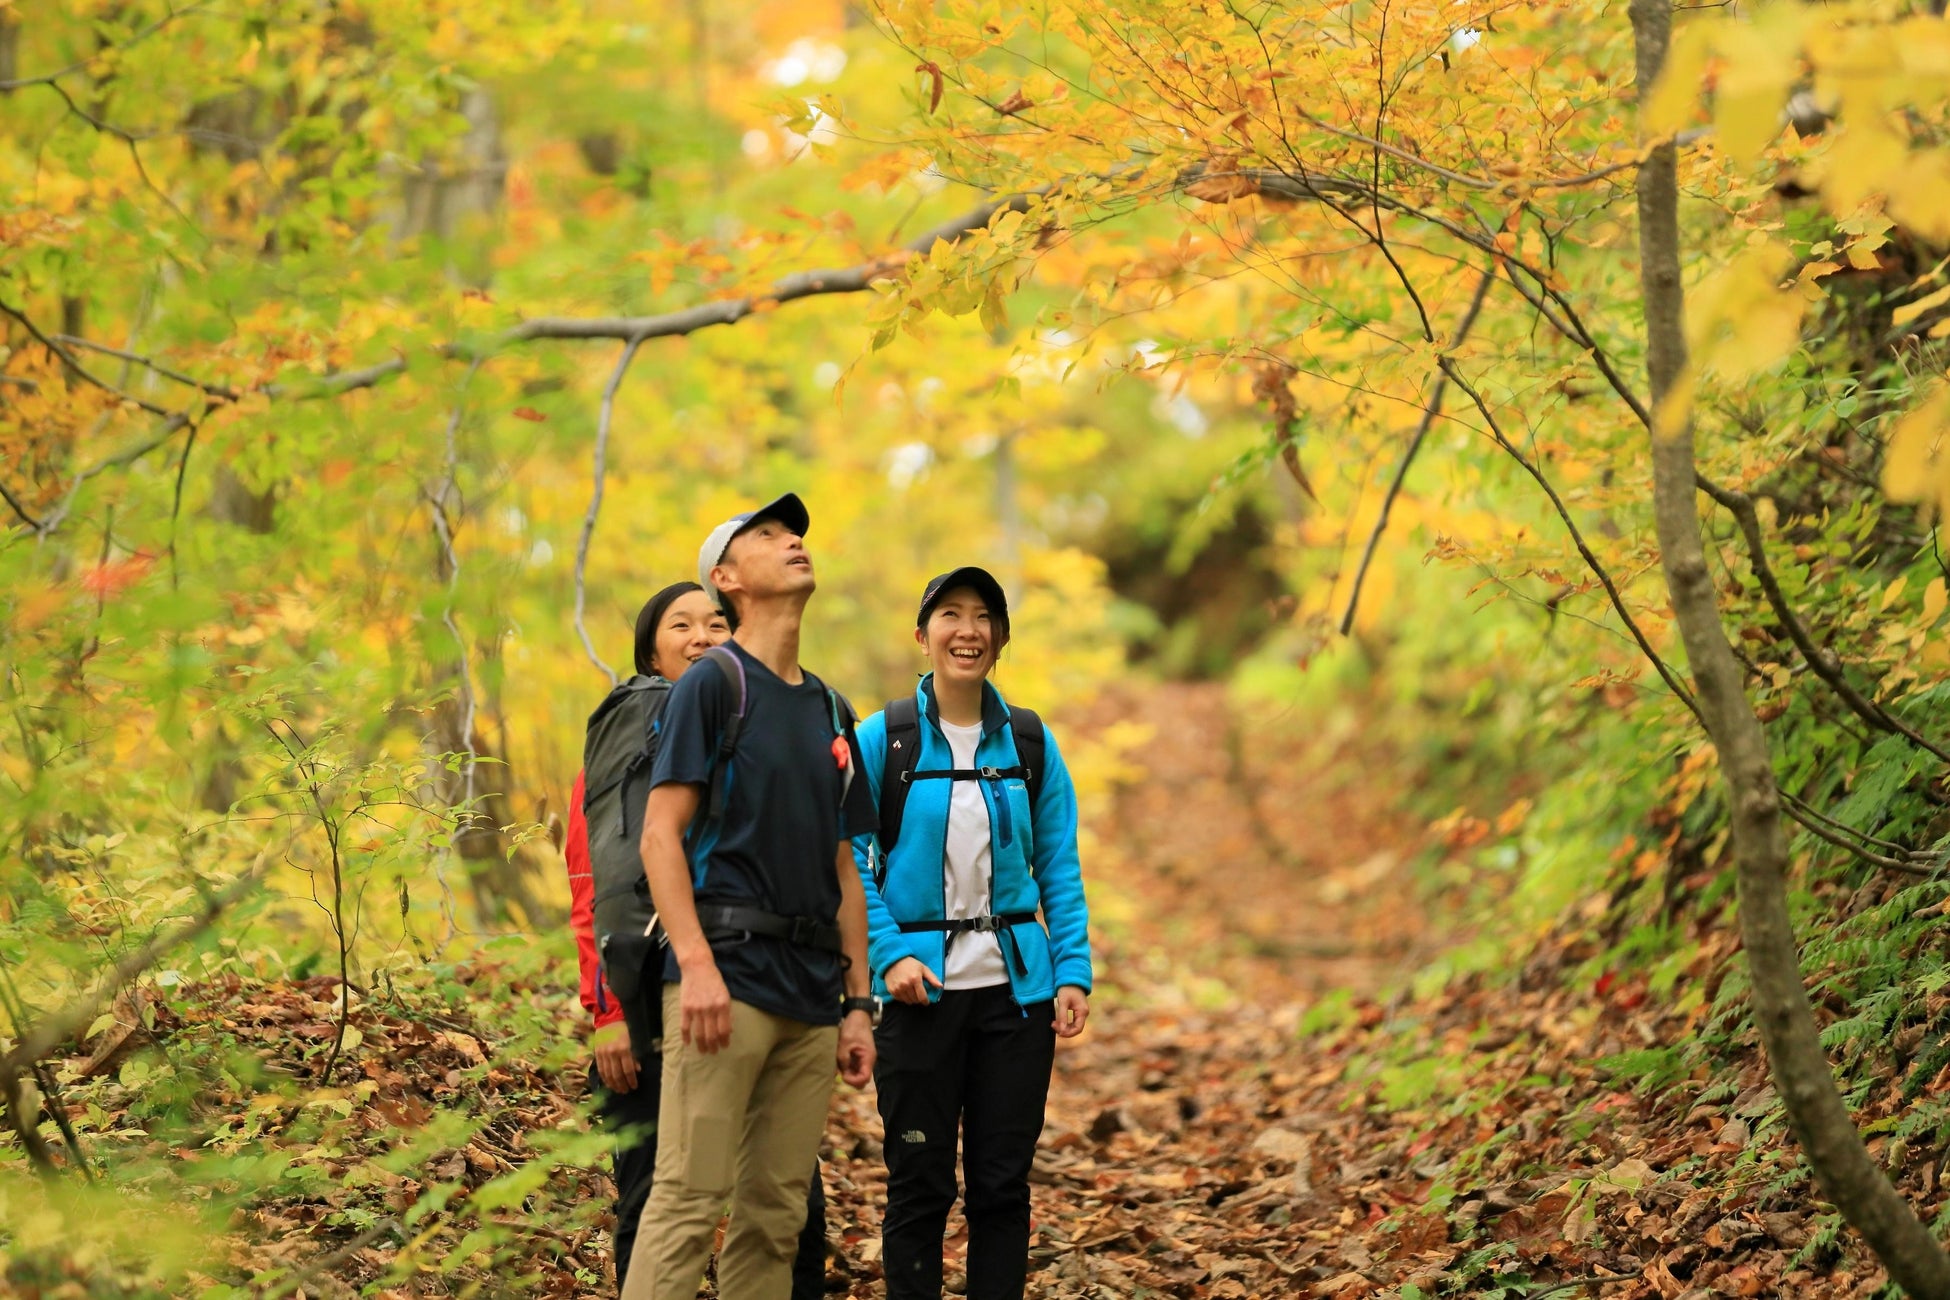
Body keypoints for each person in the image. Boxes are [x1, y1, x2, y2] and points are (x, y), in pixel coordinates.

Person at [624, 493, 879, 1300]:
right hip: (725, 982)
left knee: (774, 1216)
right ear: (727, 578)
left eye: (795, 530)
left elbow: (844, 865)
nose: (792, 540)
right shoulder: (713, 685)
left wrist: (859, 1002)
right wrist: (695, 967)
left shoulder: (832, 708)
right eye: (767, 535)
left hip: (810, 997)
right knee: (687, 1202)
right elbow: (659, 835)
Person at [563, 582, 826, 1297]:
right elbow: (597, 884)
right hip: (648, 999)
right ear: (652, 647)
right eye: (681, 625)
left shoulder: (746, 722)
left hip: (752, 988)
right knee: (658, 1194)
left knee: (789, 1207)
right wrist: (608, 1014)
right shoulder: (633, 734)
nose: (702, 635)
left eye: (716, 622)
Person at [850, 566, 1093, 1300]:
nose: (969, 630)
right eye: (950, 615)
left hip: (1016, 997)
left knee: (1001, 1186)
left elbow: (1058, 860)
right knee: (919, 1186)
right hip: (918, 995)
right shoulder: (881, 738)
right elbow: (849, 867)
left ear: (1001, 637)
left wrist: (1073, 968)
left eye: (984, 616)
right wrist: (889, 956)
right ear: (922, 635)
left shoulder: (1027, 740)